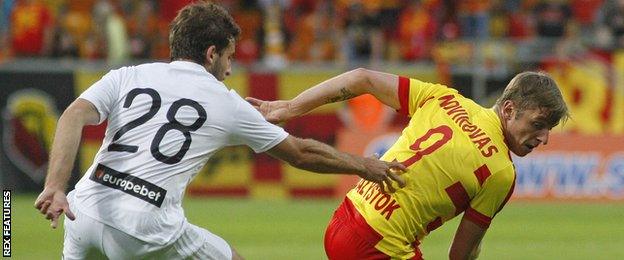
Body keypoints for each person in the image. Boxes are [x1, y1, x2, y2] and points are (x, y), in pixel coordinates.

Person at [33, 3, 406, 260]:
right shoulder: (224, 101)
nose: (229, 70)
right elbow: (301, 153)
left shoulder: (128, 75)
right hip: (145, 225)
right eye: (229, 57)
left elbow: (72, 116)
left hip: (83, 210)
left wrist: (54, 185)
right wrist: (365, 167)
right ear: (211, 54)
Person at [247, 68, 570, 259]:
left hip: (344, 218)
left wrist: (288, 107)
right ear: (510, 110)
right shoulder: (501, 170)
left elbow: (361, 78)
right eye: (539, 124)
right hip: (379, 246)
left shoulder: (446, 98)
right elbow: (460, 254)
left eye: (549, 130)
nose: (543, 139)